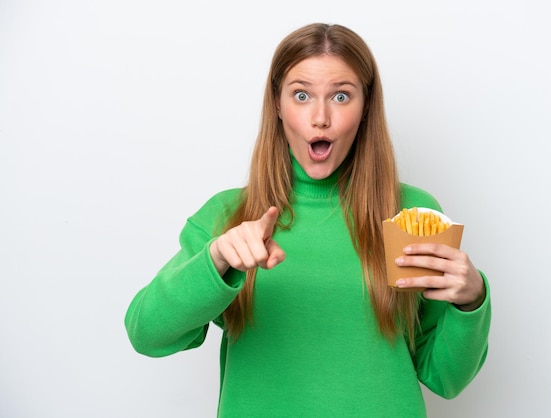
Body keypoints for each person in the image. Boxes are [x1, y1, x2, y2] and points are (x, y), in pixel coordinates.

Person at [125, 22, 491, 417]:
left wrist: (471, 301)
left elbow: (446, 379)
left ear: (366, 107)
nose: (320, 117)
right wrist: (216, 260)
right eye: (301, 95)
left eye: (340, 95)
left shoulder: (411, 215)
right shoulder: (228, 217)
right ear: (278, 106)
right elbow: (147, 335)